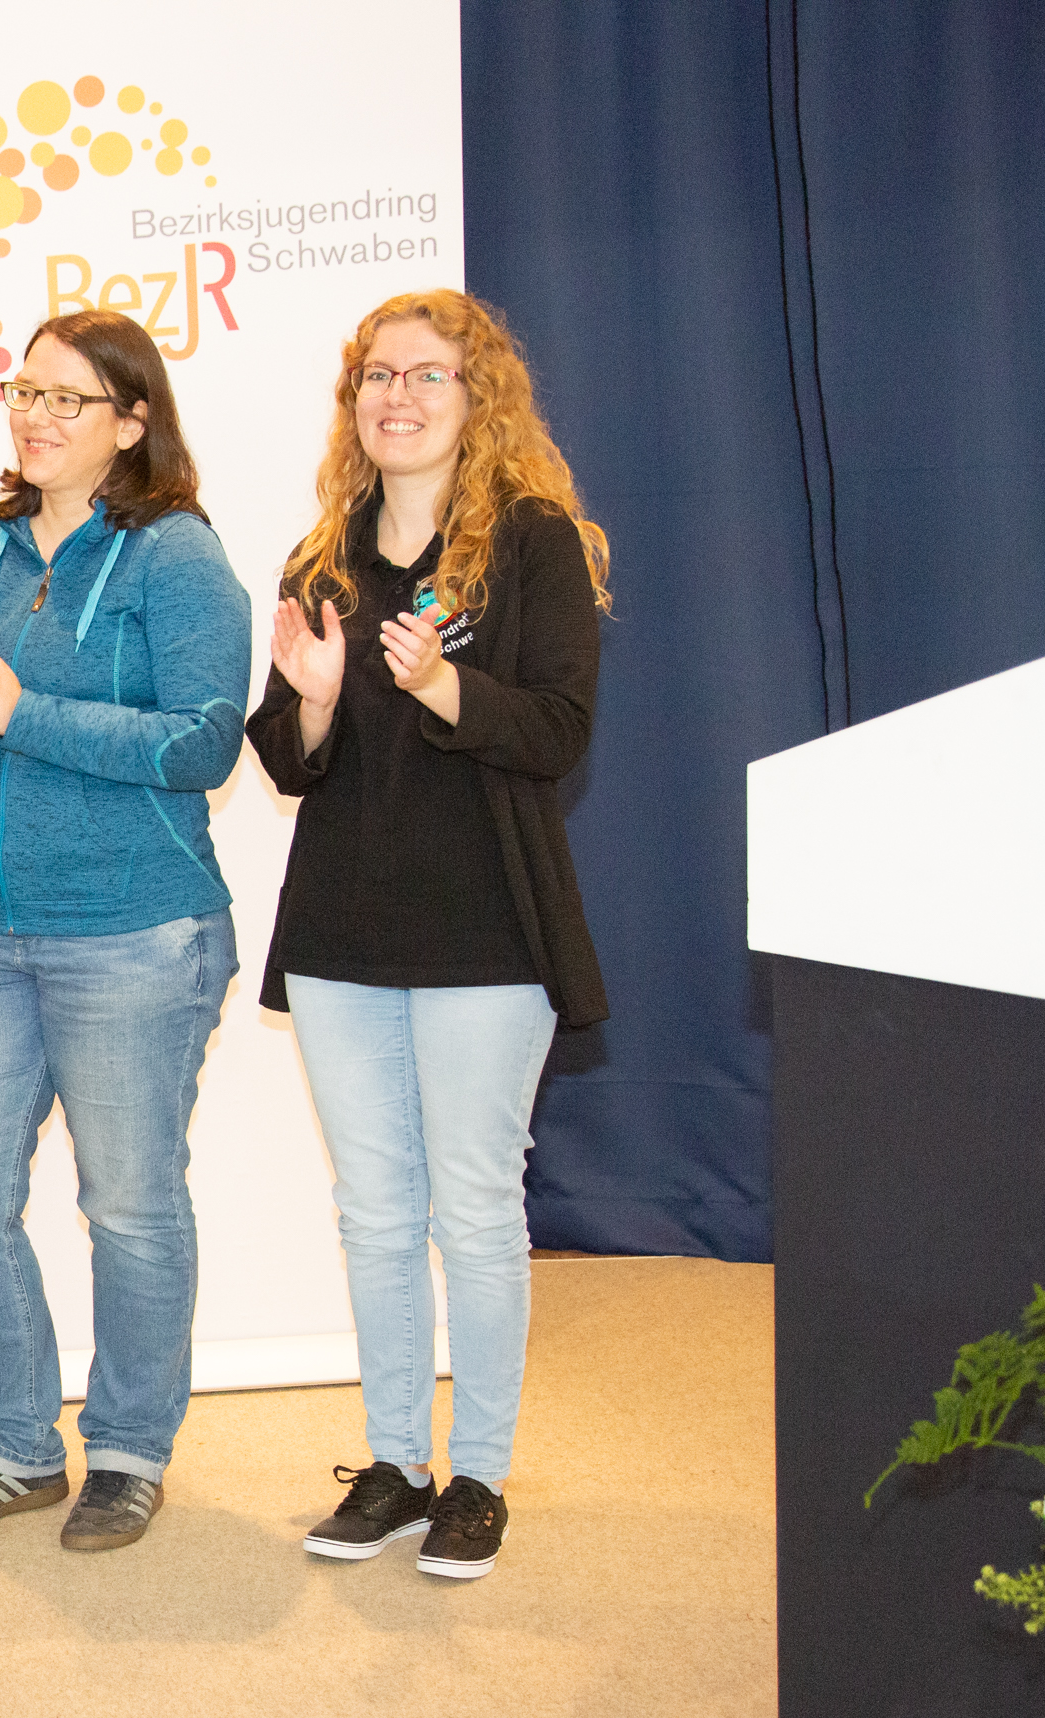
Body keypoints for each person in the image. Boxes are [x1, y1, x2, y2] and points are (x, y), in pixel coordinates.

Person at [250, 289, 611, 1581]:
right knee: (376, 1210)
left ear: (479, 400)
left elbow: (559, 728)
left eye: (426, 377)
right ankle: (397, 1465)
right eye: (375, 378)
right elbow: (288, 763)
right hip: (346, 930)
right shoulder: (323, 557)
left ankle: (480, 1479)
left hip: (488, 933)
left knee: (474, 1205)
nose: (395, 397)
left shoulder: (531, 548)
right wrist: (315, 702)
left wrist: (445, 684)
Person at [0, 309, 250, 1555]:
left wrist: (21, 707)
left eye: (67, 399)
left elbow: (201, 741)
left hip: (137, 934)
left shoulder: (176, 556)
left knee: (130, 1206)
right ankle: (18, 1441)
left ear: (132, 422)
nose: (34, 415)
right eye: (21, 391)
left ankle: (133, 1449)